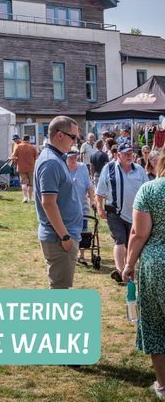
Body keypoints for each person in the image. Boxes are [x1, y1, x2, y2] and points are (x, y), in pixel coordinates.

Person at [122, 150, 165, 400]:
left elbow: (139, 234)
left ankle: (162, 384)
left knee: (156, 324)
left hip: (156, 265)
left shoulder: (149, 190)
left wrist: (128, 264)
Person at [34, 116, 83, 289]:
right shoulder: (51, 162)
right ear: (60, 135)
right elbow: (48, 203)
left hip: (63, 235)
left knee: (62, 290)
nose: (76, 142)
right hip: (59, 238)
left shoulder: (56, 158)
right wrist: (65, 236)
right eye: (74, 137)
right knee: (60, 293)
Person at [96, 142, 149, 283]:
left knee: (132, 243)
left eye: (130, 153)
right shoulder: (109, 168)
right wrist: (100, 208)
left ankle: (128, 268)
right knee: (120, 239)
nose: (129, 156)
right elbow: (99, 192)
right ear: (118, 155)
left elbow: (146, 190)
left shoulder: (139, 170)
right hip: (115, 212)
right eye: (125, 153)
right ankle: (120, 272)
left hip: (136, 214)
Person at [65, 149, 95, 266]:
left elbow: (89, 185)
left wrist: (92, 200)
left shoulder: (82, 167)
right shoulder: (63, 168)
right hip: (67, 207)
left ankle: (81, 256)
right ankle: (70, 254)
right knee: (69, 232)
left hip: (82, 206)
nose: (73, 160)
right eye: (71, 158)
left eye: (75, 157)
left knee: (83, 230)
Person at [11, 135, 38, 203]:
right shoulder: (32, 147)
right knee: (30, 184)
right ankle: (30, 198)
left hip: (21, 167)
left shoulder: (18, 146)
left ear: (22, 139)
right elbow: (37, 157)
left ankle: (25, 197)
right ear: (29, 140)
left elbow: (13, 157)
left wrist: (14, 164)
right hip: (31, 167)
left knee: (24, 183)